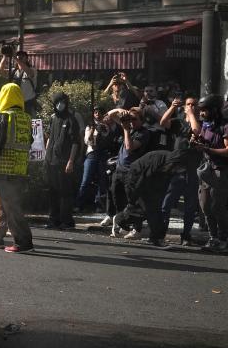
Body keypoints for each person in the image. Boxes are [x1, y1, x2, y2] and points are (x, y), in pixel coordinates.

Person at [0, 83, 34, 253]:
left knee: (12, 207)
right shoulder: (25, 118)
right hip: (20, 170)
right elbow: (29, 141)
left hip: (3, 170)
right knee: (5, 205)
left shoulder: (3, 117)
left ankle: (24, 243)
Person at [112, 146, 193, 248]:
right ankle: (156, 238)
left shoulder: (173, 166)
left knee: (149, 210)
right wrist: (133, 198)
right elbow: (142, 180)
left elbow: (164, 183)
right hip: (138, 179)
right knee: (149, 210)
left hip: (150, 184)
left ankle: (154, 237)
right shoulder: (159, 161)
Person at [187, 94, 228, 252]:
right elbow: (204, 140)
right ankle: (213, 238)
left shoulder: (225, 126)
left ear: (215, 110)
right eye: (200, 110)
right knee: (205, 206)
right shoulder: (206, 125)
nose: (201, 113)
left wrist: (207, 149)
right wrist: (197, 142)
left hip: (221, 171)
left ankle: (224, 238)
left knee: (218, 206)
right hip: (206, 169)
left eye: (205, 110)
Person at [160, 95, 202, 245]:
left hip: (192, 168)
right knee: (167, 204)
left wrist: (191, 115)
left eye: (194, 104)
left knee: (190, 206)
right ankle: (161, 233)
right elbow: (163, 122)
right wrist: (172, 107)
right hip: (176, 168)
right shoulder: (178, 123)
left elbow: (196, 131)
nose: (191, 106)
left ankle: (186, 235)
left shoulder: (201, 122)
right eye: (188, 104)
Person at [105, 107, 150, 238]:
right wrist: (122, 111)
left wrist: (125, 129)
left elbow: (129, 147)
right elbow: (109, 114)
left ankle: (137, 229)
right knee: (117, 199)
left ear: (141, 120)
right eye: (130, 119)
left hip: (132, 172)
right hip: (119, 170)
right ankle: (123, 226)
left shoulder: (143, 133)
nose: (131, 122)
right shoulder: (128, 127)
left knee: (133, 202)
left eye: (134, 119)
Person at [44, 92, 82, 229]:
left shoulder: (71, 120)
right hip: (51, 161)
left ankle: (66, 221)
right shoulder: (53, 118)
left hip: (64, 161)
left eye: (63, 102)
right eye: (58, 102)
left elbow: (75, 142)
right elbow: (49, 138)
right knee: (52, 191)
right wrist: (46, 156)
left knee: (65, 192)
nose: (61, 105)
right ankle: (53, 219)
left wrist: (71, 161)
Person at [77, 106, 112, 213]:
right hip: (91, 154)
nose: (97, 114)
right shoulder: (89, 126)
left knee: (102, 181)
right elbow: (88, 142)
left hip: (102, 154)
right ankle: (79, 204)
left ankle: (100, 205)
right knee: (86, 180)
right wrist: (93, 130)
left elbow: (107, 139)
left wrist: (102, 130)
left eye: (99, 112)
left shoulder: (107, 126)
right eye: (95, 112)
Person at [0, 50, 38, 115]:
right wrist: (4, 57)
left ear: (27, 59)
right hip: (15, 104)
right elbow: (0, 72)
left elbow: (29, 72)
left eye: (22, 57)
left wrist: (15, 58)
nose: (20, 58)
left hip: (28, 102)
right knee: (16, 123)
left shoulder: (32, 69)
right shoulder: (14, 71)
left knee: (32, 123)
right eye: (19, 57)